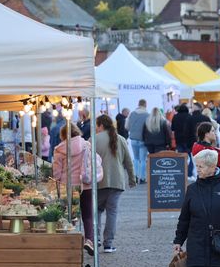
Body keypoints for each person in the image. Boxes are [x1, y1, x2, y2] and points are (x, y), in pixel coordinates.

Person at [52, 123, 103, 255]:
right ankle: (89, 240)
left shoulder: (59, 149)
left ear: (63, 135)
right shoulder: (86, 145)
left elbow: (57, 172)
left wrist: (55, 182)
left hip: (67, 186)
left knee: (68, 214)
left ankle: (69, 241)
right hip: (85, 184)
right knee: (87, 214)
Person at [95, 114, 136, 253]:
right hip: (117, 181)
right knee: (112, 213)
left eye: (96, 125)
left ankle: (96, 239)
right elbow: (128, 162)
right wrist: (132, 179)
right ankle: (108, 243)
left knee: (97, 211)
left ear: (100, 125)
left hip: (98, 181)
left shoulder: (93, 139)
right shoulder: (121, 139)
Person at [128, 99, 149, 184]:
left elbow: (127, 126)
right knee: (143, 159)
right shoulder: (147, 115)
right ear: (145, 105)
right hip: (143, 139)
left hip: (133, 139)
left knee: (136, 159)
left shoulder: (132, 114)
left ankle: (135, 176)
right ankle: (143, 178)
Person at [172, 104, 194, 178]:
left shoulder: (175, 117)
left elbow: (172, 128)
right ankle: (189, 172)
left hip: (178, 139)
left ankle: (181, 172)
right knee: (190, 156)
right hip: (188, 140)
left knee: (181, 157)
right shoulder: (189, 116)